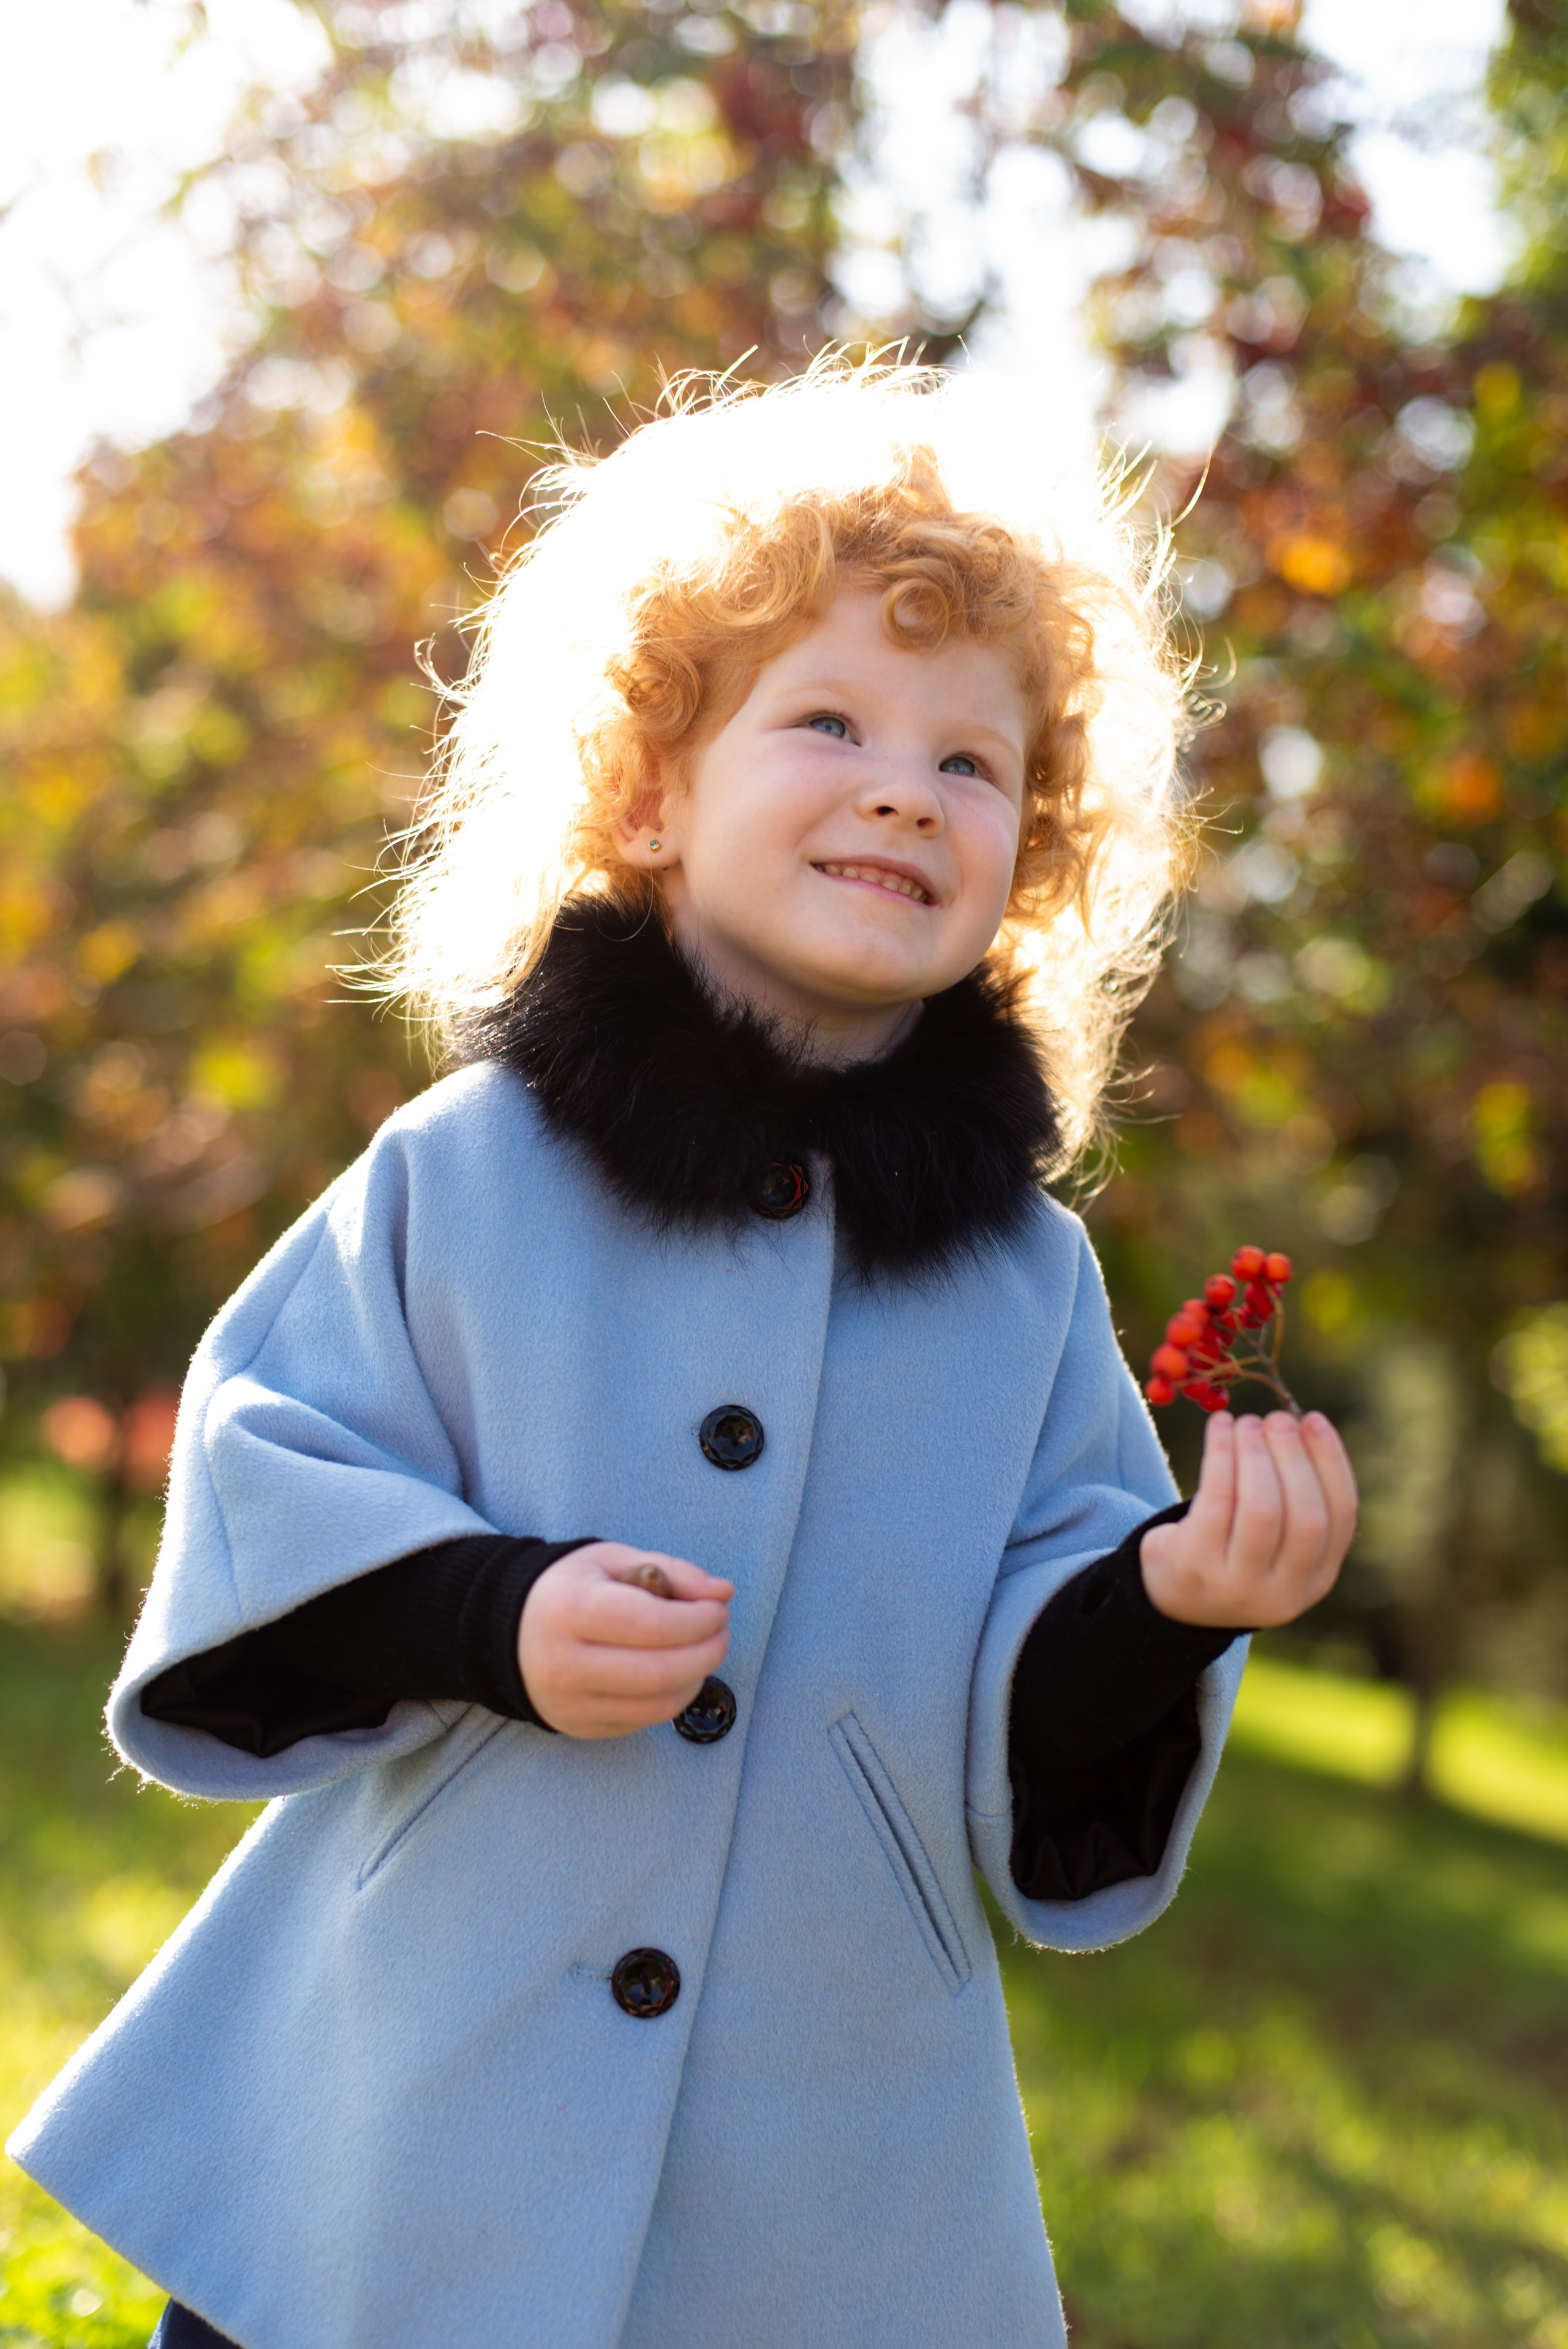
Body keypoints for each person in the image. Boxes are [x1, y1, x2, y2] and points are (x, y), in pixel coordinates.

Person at [8, 359, 1357, 2349]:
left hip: (817, 2151)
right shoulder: (467, 1175)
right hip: (421, 2102)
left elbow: (1038, 1694)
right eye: (827, 721)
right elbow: (272, 1462)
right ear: (650, 791)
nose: (904, 784)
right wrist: (495, 1612)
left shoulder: (1024, 1286)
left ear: (1032, 868)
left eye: (972, 765)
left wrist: (1171, 1598)